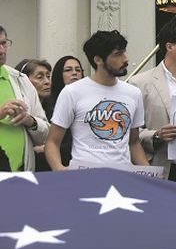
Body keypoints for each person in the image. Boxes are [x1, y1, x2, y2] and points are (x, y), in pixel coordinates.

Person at [45, 30, 148, 170]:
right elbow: (52, 142)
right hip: (83, 178)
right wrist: (59, 169)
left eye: (124, 52)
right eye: (118, 54)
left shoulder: (133, 93)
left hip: (122, 177)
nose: (125, 59)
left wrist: (149, 174)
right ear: (98, 60)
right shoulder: (72, 92)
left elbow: (134, 142)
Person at [128, 21, 176, 179]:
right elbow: (129, 133)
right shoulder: (140, 83)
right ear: (169, 46)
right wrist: (156, 135)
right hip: (162, 166)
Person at [0, 26, 49, 171]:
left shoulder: (20, 79)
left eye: (4, 43)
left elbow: (45, 134)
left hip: (20, 174)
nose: (2, 51)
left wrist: (30, 121)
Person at [43, 55, 85, 168]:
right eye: (68, 70)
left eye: (78, 70)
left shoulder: (90, 100)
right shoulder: (48, 102)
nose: (74, 73)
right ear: (58, 74)